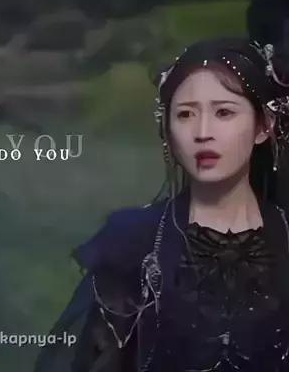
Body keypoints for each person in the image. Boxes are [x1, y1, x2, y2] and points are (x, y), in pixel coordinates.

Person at [34, 37, 289, 371]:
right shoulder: (133, 243)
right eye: (185, 114)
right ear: (167, 128)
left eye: (224, 112)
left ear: (264, 126)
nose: (203, 132)